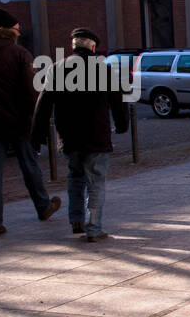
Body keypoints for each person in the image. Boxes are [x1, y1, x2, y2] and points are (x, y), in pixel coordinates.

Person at [0, 8, 60, 237]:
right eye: (17, 29)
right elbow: (31, 92)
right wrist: (36, 119)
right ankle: (43, 206)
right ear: (8, 29)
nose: (19, 32)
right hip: (18, 120)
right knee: (29, 165)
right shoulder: (19, 54)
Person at [31, 27, 128, 242]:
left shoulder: (56, 69)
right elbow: (117, 102)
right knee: (96, 182)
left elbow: (43, 105)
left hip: (69, 136)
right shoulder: (102, 69)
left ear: (73, 46)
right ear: (93, 47)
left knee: (75, 177)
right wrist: (122, 125)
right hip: (96, 136)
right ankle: (94, 227)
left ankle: (76, 220)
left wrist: (37, 136)